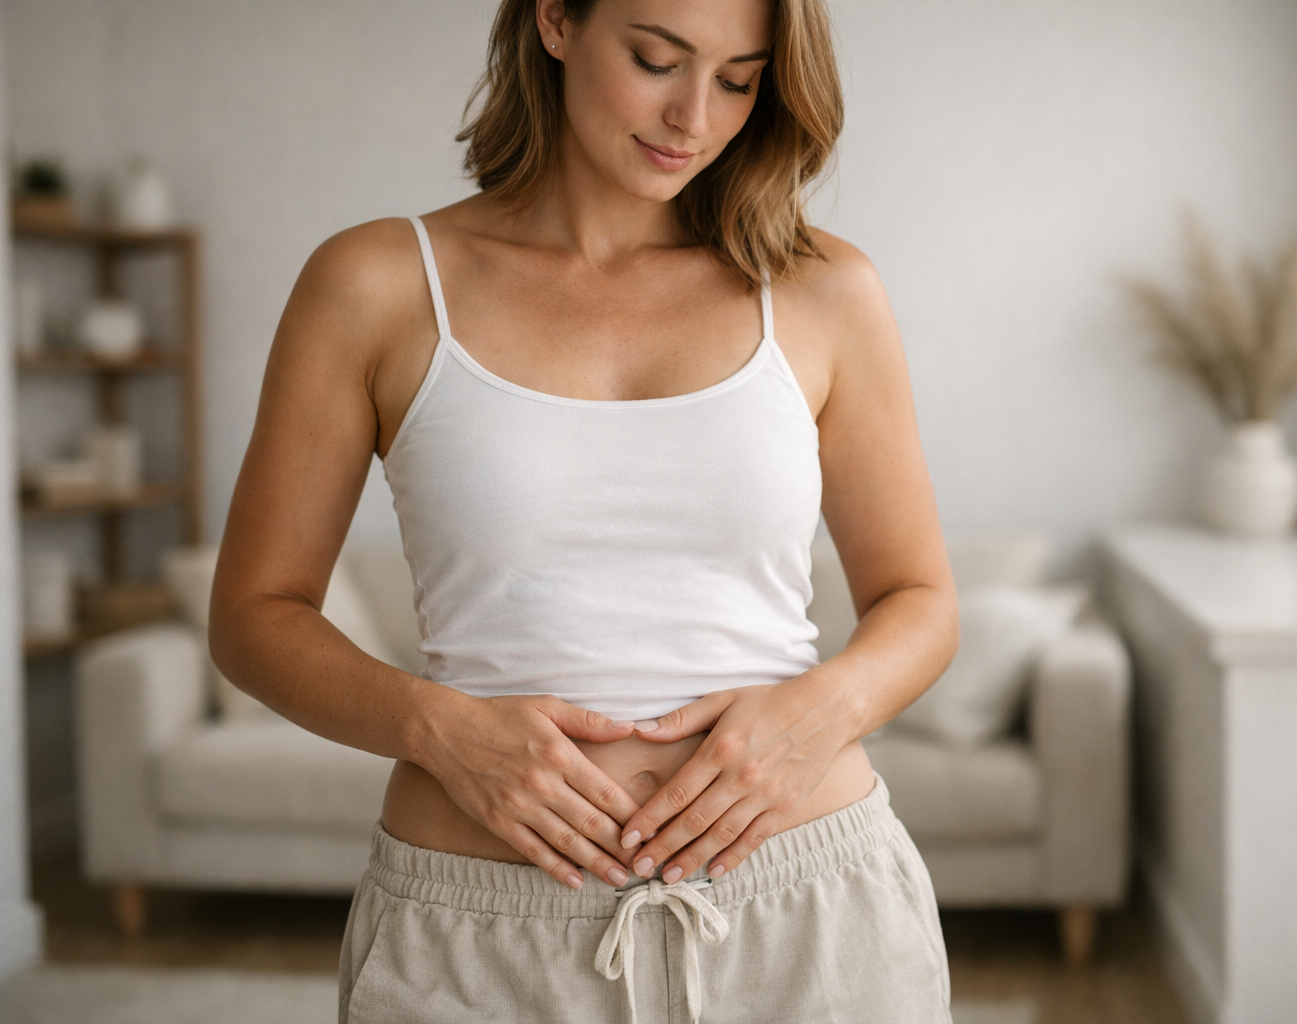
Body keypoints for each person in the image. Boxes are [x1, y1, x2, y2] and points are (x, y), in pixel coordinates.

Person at [210, 0, 958, 1020]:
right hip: (480, 939)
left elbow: (920, 599)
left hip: (808, 918)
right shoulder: (378, 285)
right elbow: (255, 613)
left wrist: (814, 717)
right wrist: (440, 728)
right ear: (556, 21)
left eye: (739, 79)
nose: (694, 115)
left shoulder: (823, 289)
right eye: (657, 59)